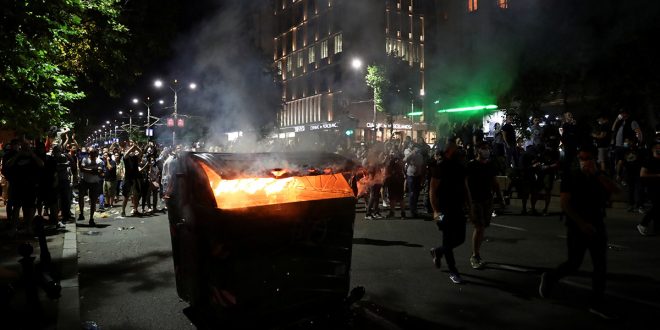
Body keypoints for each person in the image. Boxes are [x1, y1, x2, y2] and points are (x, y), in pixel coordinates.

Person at [539, 145, 619, 319]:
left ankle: (596, 302)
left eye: (589, 158)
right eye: (582, 158)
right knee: (574, 263)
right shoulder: (571, 177)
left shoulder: (599, 176)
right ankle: (551, 277)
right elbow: (565, 203)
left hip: (597, 224)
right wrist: (581, 224)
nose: (586, 162)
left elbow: (616, 190)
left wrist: (597, 174)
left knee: (600, 265)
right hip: (577, 226)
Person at [429, 142, 469, 284]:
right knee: (447, 238)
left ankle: (438, 251)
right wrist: (435, 212)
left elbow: (465, 187)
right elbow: (433, 190)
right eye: (453, 148)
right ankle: (453, 270)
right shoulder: (440, 168)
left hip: (458, 207)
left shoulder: (461, 167)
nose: (456, 150)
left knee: (460, 238)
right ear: (447, 152)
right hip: (443, 209)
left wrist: (468, 205)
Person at [466, 143, 503, 269]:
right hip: (475, 200)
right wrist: (467, 201)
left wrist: (500, 197)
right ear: (477, 151)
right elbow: (465, 183)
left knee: (483, 227)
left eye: (487, 148)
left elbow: (495, 181)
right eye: (484, 148)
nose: (486, 151)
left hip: (487, 199)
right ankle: (475, 256)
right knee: (479, 227)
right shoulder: (471, 165)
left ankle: (476, 253)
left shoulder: (490, 165)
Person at [637, 136, 660, 236]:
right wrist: (657, 175)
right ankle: (643, 224)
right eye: (657, 147)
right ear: (652, 149)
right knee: (657, 206)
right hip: (652, 187)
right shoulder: (648, 160)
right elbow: (642, 174)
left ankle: (657, 229)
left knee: (658, 207)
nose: (659, 149)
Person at [78, 148, 103, 226]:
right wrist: (92, 170)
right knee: (80, 196)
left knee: (93, 201)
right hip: (85, 181)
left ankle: (91, 218)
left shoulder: (99, 161)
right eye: (90, 153)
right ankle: (81, 213)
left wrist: (87, 170)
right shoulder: (85, 159)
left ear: (96, 154)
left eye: (93, 153)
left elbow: (99, 172)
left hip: (94, 183)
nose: (91, 155)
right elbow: (82, 169)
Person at [404, 144, 425, 217]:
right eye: (416, 148)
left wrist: (422, 177)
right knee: (412, 193)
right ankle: (412, 210)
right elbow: (404, 160)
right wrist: (412, 153)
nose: (418, 149)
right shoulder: (410, 154)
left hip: (418, 176)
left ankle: (415, 208)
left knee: (417, 193)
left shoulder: (420, 156)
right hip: (411, 176)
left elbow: (422, 166)